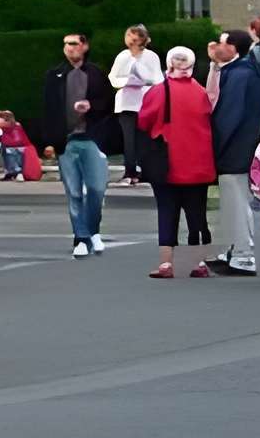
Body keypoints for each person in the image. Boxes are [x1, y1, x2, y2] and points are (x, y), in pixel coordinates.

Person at [136, 45, 217, 278]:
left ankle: (166, 264)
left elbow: (144, 121)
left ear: (169, 63)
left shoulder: (158, 92)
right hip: (199, 162)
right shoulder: (200, 92)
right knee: (197, 213)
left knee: (167, 211)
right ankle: (198, 263)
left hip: (168, 162)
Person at [40, 31, 113, 256]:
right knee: (73, 192)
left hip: (91, 138)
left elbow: (108, 103)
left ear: (84, 46)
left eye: (73, 44)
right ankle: (80, 237)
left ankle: (93, 231)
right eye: (66, 45)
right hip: (67, 141)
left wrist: (91, 106)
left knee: (97, 189)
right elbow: (48, 110)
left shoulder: (96, 73)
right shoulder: (55, 75)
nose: (69, 48)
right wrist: (49, 142)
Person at [207, 32, 260, 276]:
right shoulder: (242, 71)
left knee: (235, 200)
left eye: (222, 43)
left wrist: (216, 145)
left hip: (235, 147)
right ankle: (235, 250)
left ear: (233, 48)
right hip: (240, 145)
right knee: (234, 200)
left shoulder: (239, 75)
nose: (216, 46)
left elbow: (228, 115)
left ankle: (243, 255)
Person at [110, 24, 160, 185]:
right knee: (128, 139)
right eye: (129, 36)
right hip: (126, 103)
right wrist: (125, 82)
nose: (131, 40)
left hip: (145, 102)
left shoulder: (151, 56)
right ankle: (129, 171)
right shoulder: (123, 56)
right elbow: (113, 77)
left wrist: (145, 81)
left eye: (135, 36)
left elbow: (158, 78)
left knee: (145, 139)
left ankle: (146, 171)